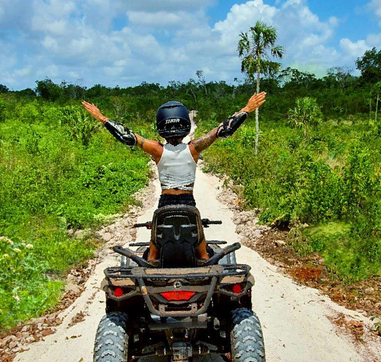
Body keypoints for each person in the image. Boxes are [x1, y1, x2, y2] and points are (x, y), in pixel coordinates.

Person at [81, 92, 267, 264]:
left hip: (165, 202)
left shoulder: (156, 150)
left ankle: (153, 260)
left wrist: (101, 117)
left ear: (161, 126)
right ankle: (202, 258)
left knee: (154, 246)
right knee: (202, 249)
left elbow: (126, 135)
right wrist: (246, 109)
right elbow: (222, 130)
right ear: (185, 123)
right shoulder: (194, 148)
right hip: (188, 201)